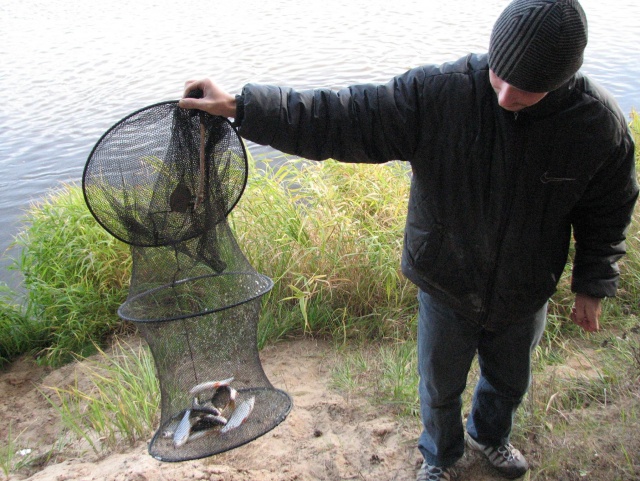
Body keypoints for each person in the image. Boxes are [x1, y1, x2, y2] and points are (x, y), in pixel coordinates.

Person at [178, 0, 638, 479]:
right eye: (499, 76)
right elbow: (340, 116)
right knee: (439, 388)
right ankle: (440, 456)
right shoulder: (440, 94)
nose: (504, 97)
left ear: (563, 78)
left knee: (509, 383)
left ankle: (490, 436)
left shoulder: (596, 125)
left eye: (525, 90)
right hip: (445, 282)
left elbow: (607, 210)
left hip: (526, 289)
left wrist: (593, 283)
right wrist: (241, 107)